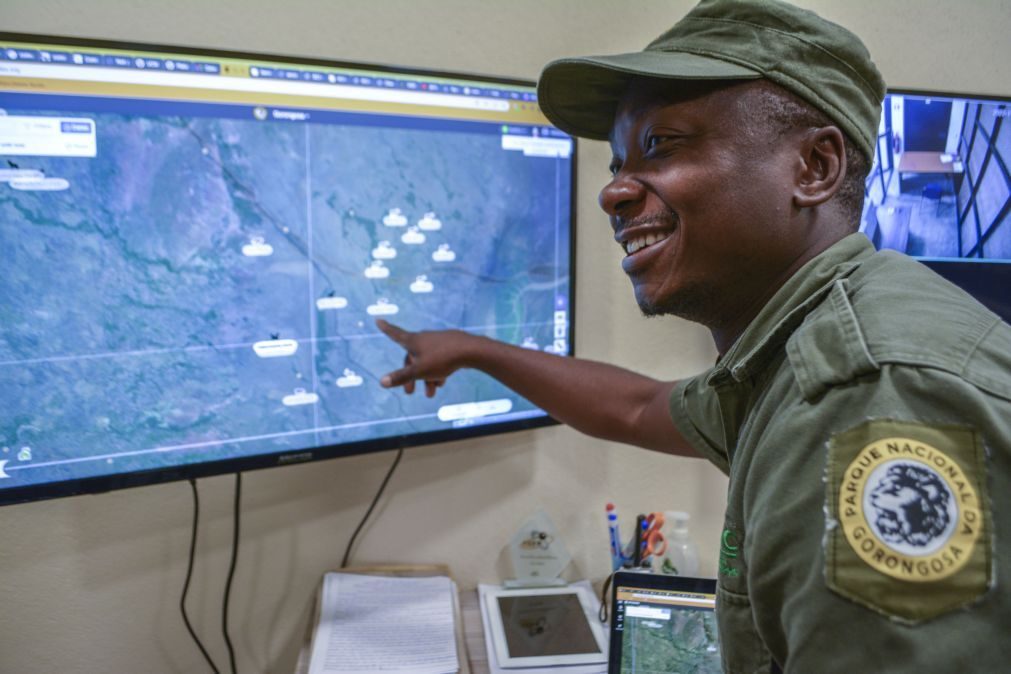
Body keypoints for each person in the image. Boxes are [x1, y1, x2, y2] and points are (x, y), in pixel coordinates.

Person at [378, 0, 1010, 671]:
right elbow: (638, 408)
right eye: (618, 161)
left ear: (813, 167)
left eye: (662, 146)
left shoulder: (871, 395)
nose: (614, 193)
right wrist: (475, 349)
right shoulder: (798, 346)